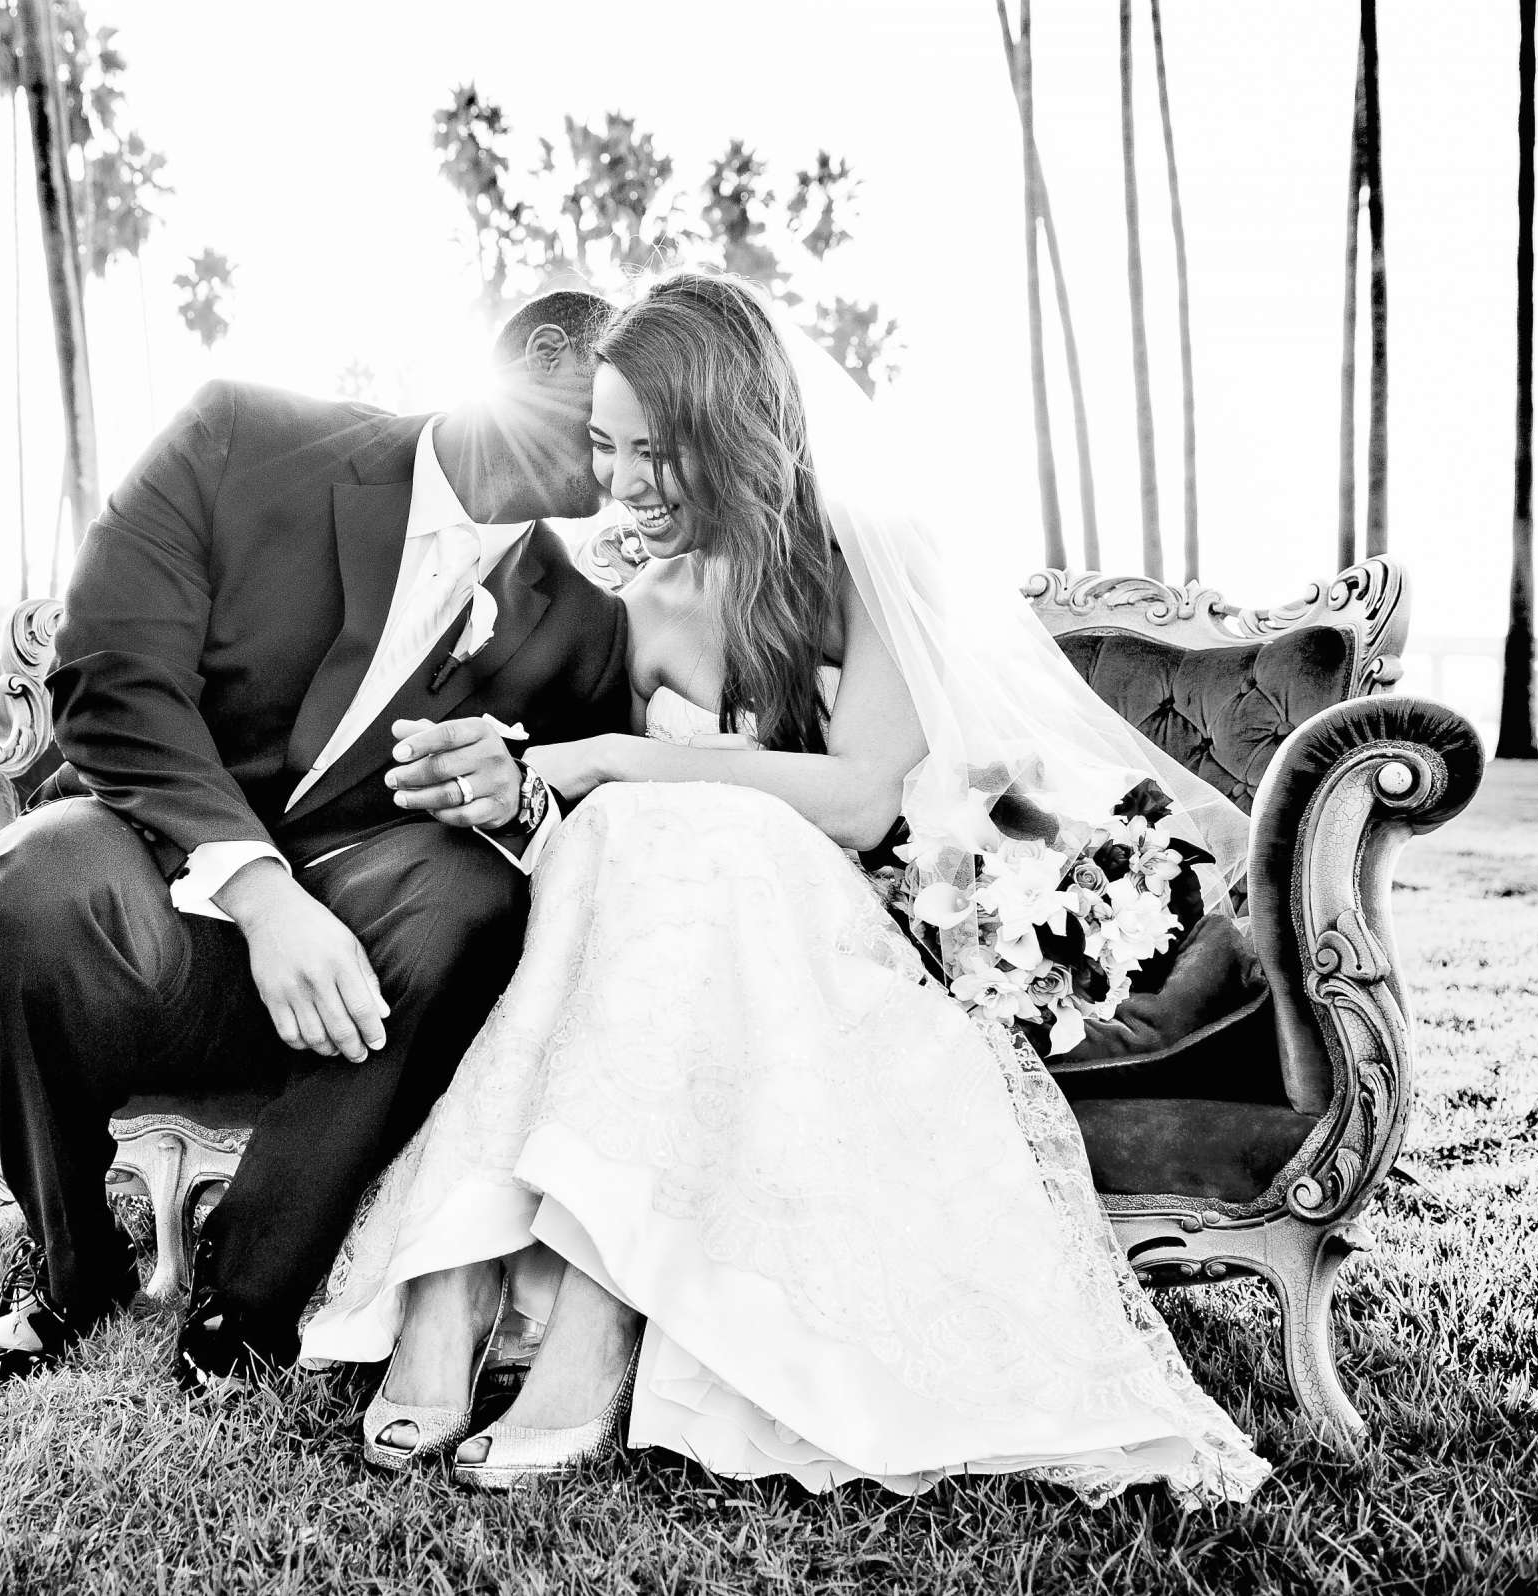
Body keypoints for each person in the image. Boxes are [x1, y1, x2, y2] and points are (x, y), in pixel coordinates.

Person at [301, 272, 1270, 1506]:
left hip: (840, 938)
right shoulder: (630, 596)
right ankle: (461, 1287)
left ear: (740, 434)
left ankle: (567, 1306)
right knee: (647, 837)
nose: (627, 485)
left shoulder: (874, 559)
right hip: (683, 940)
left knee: (687, 824)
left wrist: (608, 757)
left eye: (662, 450)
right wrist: (522, 776)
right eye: (606, 448)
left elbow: (864, 799)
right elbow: (576, 835)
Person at [0, 292, 631, 1387]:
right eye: (617, 412)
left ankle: (249, 1295)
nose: (636, 465)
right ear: (545, 356)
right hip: (149, 881)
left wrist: (518, 791)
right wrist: (261, 893)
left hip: (365, 970)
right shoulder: (241, 440)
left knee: (469, 900)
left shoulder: (583, 621)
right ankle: (68, 1267)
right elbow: (109, 679)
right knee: (31, 883)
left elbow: (600, 825)